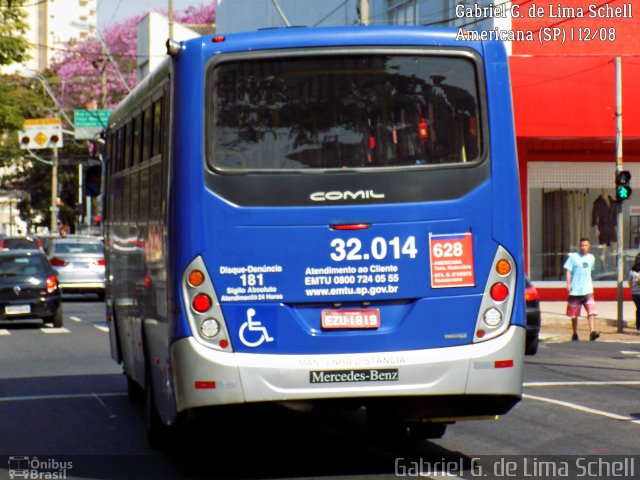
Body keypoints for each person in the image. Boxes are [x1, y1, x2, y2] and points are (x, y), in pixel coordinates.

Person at [564, 237, 600, 341]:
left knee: (591, 311)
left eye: (586, 245)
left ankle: (592, 331)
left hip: (587, 289)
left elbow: (590, 271)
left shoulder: (591, 258)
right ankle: (575, 333)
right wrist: (568, 284)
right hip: (575, 290)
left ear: (589, 246)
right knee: (574, 313)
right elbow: (568, 271)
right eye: (582, 245)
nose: (584, 247)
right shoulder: (573, 257)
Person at [627, 253, 640, 331]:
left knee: (638, 308)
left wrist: (633, 288)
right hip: (637, 293)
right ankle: (638, 325)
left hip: (634, 293)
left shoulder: (632, 270)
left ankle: (638, 325)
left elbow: (629, 282)